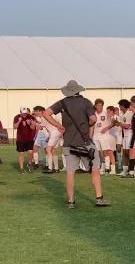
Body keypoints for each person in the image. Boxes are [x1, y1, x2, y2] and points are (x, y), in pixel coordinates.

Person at [43, 80, 111, 208]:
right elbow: (93, 119)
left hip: (68, 143)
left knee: (70, 172)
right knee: (95, 169)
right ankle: (99, 198)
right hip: (85, 142)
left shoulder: (62, 103)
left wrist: (59, 126)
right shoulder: (86, 102)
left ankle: (71, 201)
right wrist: (88, 125)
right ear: (79, 90)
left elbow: (46, 113)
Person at [92, 99, 117, 175]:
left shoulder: (106, 113)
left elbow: (114, 122)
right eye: (98, 105)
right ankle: (102, 168)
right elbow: (92, 126)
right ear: (95, 106)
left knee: (106, 152)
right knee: (99, 153)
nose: (100, 107)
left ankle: (108, 168)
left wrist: (106, 128)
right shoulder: (93, 114)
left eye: (101, 105)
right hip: (96, 136)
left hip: (105, 136)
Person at [13, 107, 38, 173]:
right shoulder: (16, 117)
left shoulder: (31, 117)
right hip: (20, 139)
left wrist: (29, 123)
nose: (24, 115)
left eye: (25, 113)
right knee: (21, 153)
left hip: (29, 138)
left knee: (30, 152)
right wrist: (19, 121)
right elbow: (15, 127)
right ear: (20, 112)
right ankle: (21, 168)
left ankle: (29, 164)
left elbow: (33, 128)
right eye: (23, 113)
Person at [117, 99, 133, 176]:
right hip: (124, 136)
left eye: (120, 105)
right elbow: (121, 125)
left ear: (123, 106)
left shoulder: (130, 114)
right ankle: (125, 170)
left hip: (130, 135)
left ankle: (132, 170)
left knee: (129, 153)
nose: (119, 107)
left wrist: (119, 124)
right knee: (124, 153)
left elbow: (128, 126)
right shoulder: (121, 114)